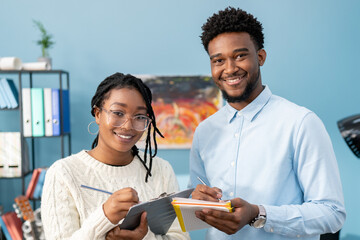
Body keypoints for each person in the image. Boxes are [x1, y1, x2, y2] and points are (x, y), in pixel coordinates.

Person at [188, 7, 346, 240]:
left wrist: (259, 214)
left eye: (240, 56)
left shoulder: (301, 123)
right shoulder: (204, 131)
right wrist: (195, 203)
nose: (230, 69)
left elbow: (332, 213)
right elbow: (196, 209)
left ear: (260, 57)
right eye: (218, 60)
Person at [41, 73, 190, 240]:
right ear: (97, 114)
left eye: (139, 117)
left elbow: (180, 238)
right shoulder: (62, 173)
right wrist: (105, 217)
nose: (128, 126)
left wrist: (143, 237)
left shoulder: (161, 170)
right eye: (118, 113)